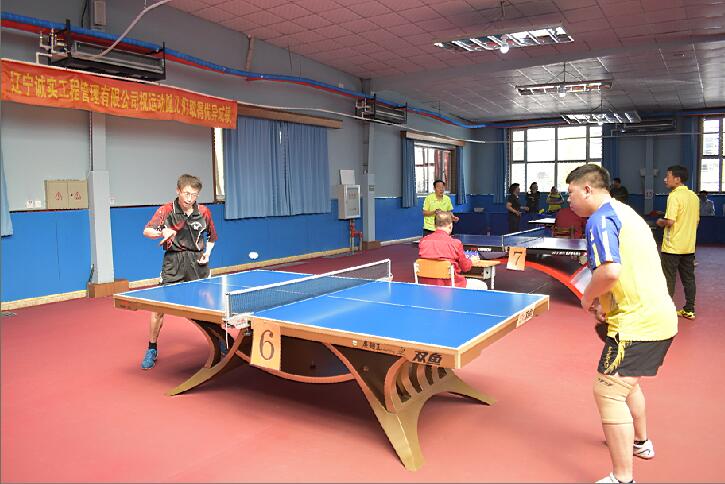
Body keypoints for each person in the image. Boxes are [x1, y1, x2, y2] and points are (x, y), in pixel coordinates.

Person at [566, 164, 677, 484]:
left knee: (608, 391)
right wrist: (606, 303)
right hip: (657, 315)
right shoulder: (624, 212)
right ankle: (641, 442)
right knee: (628, 384)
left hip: (638, 324)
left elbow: (610, 271)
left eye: (571, 193)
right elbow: (628, 269)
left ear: (587, 189)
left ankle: (622, 478)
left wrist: (588, 297)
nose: (568, 199)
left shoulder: (599, 219)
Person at [140, 174, 218, 370]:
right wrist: (162, 232)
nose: (190, 199)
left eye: (194, 195)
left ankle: (220, 343)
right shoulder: (167, 210)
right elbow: (147, 231)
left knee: (208, 307)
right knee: (158, 308)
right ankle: (152, 348)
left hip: (197, 263)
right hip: (173, 262)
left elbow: (212, 237)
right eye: (186, 194)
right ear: (178, 191)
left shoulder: (204, 212)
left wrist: (207, 253)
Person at [656, 165, 700, 320]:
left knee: (668, 279)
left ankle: (665, 312)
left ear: (677, 179)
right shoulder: (694, 197)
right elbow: (696, 221)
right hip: (689, 247)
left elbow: (670, 221)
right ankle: (689, 309)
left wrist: (660, 222)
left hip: (672, 247)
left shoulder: (674, 196)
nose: (665, 179)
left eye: (667, 176)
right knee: (689, 279)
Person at [418, 211, 487, 290]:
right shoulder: (455, 243)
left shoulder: (423, 241)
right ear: (450, 226)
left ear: (434, 225)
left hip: (426, 287)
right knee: (482, 285)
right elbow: (465, 267)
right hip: (451, 285)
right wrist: (471, 261)